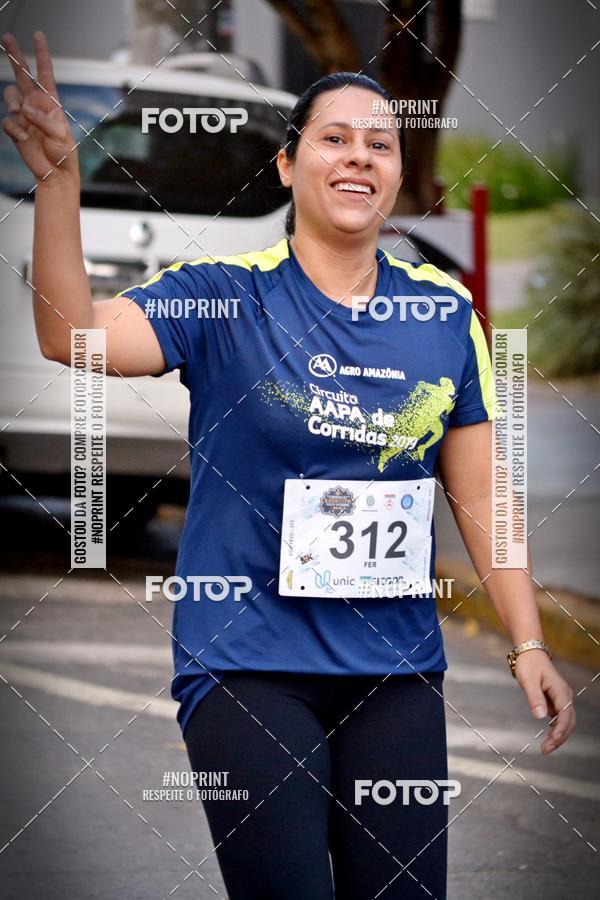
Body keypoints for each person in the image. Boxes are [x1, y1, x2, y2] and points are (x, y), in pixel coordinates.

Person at [3, 31, 576, 900]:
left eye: (379, 143)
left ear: (397, 170)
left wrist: (528, 639)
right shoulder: (225, 295)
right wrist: (57, 184)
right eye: (334, 139)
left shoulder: (444, 312)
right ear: (286, 166)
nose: (358, 158)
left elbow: (481, 492)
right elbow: (70, 336)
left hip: (395, 671)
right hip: (246, 664)